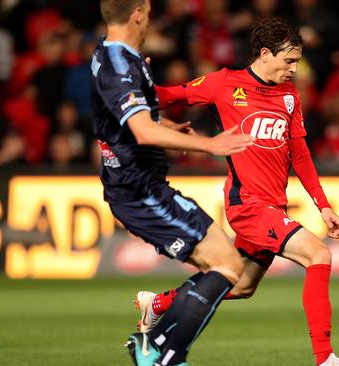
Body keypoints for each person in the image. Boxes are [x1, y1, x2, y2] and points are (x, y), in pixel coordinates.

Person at [139, 17, 339, 366]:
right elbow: (170, 96)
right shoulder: (224, 84)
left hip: (274, 207)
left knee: (241, 286)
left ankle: (157, 304)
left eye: (297, 61)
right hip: (247, 206)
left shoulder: (289, 95)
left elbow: (299, 153)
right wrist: (138, 83)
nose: (294, 68)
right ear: (264, 54)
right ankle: (326, 359)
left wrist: (323, 205)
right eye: (289, 60)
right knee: (319, 255)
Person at [91, 1, 255, 365]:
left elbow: (128, 116)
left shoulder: (112, 54)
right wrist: (208, 145)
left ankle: (155, 345)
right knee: (227, 267)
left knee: (228, 265)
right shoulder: (121, 65)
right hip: (139, 190)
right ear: (138, 12)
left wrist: (169, 127)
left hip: (141, 187)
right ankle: (166, 354)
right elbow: (142, 131)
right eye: (148, 10)